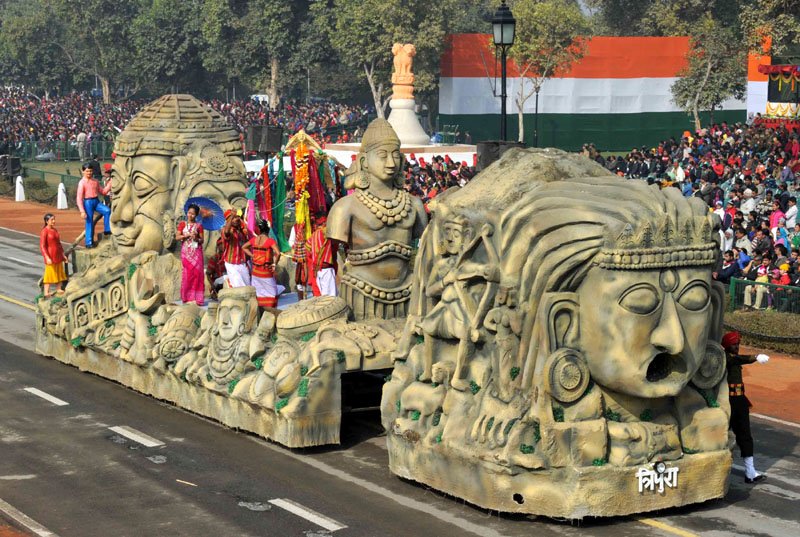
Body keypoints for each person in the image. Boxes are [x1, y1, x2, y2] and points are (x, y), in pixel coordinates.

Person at [721, 331, 768, 484]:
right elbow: (739, 359)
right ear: (728, 346)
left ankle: (750, 471)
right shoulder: (726, 358)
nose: (737, 346)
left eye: (738, 344)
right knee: (720, 436)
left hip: (739, 401)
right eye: (734, 344)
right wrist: (755, 357)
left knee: (745, 436)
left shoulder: (732, 358)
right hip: (726, 402)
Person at [243, 219, 281, 308]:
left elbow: (244, 247)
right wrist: (275, 264)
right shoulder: (270, 241)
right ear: (267, 230)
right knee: (272, 292)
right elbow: (278, 253)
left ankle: (260, 310)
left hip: (255, 272)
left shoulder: (254, 240)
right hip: (266, 271)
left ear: (260, 230)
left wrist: (252, 256)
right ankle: (269, 310)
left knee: (259, 292)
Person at [76, 162, 111, 248]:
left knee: (107, 211)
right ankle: (89, 242)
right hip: (88, 202)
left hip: (96, 201)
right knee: (89, 221)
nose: (89, 173)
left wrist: (110, 184)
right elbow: (79, 198)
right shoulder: (82, 183)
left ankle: (107, 230)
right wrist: (82, 211)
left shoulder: (95, 181)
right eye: (87, 171)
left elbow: (103, 191)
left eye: (91, 171)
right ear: (83, 171)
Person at [175, 203, 205, 306]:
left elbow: (202, 240)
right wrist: (186, 235)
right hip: (186, 253)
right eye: (189, 213)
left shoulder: (199, 226)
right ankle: (187, 298)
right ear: (187, 213)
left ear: (196, 215)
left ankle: (198, 298)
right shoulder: (182, 224)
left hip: (196, 253)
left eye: (193, 214)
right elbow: (177, 237)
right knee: (187, 274)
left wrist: (196, 238)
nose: (190, 215)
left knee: (197, 274)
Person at [307, 214, 337, 297]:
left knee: (322, 297)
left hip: (317, 271)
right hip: (326, 269)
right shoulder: (326, 232)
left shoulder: (313, 235)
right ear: (324, 223)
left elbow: (308, 251)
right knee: (330, 298)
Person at [39, 213, 67, 297]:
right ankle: (46, 292)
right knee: (49, 273)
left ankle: (58, 288)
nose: (54, 221)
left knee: (59, 271)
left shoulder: (55, 230)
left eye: (54, 219)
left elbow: (59, 243)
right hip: (50, 254)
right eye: (52, 220)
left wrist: (63, 254)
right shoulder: (44, 231)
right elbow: (42, 246)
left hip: (57, 254)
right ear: (47, 221)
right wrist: (47, 257)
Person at [221, 209, 251, 288]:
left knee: (247, 285)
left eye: (237, 217)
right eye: (233, 218)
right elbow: (227, 232)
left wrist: (241, 219)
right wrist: (232, 217)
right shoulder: (226, 230)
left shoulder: (241, 231)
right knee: (238, 285)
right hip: (231, 263)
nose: (236, 219)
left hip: (242, 263)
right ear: (228, 220)